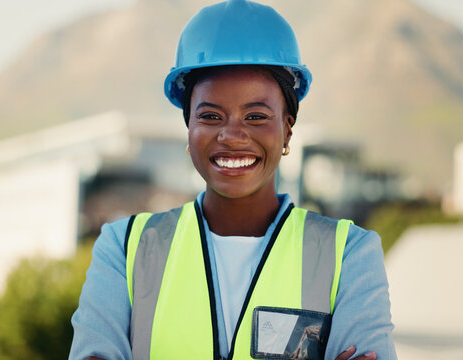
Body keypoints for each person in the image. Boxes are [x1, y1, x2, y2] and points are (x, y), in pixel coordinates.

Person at [69, 0, 397, 359]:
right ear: (188, 128)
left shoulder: (349, 254)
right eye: (210, 115)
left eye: (256, 116)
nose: (232, 134)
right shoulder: (124, 249)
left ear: (287, 131)